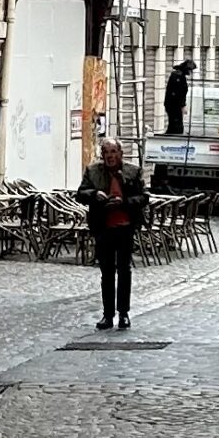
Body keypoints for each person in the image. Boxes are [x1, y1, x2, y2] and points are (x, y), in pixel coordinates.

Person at [76, 134, 148, 331]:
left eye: (113, 152)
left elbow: (143, 197)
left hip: (125, 227)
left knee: (124, 271)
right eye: (106, 152)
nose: (110, 156)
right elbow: (80, 194)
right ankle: (108, 315)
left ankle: (123, 313)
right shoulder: (93, 171)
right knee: (106, 273)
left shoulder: (133, 171)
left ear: (120, 153)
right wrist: (94, 194)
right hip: (103, 227)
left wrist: (124, 202)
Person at [164, 56, 189, 149]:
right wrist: (182, 105)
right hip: (174, 105)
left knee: (175, 124)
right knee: (176, 125)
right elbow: (179, 93)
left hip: (174, 105)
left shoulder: (180, 75)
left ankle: (172, 138)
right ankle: (173, 141)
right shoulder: (178, 76)